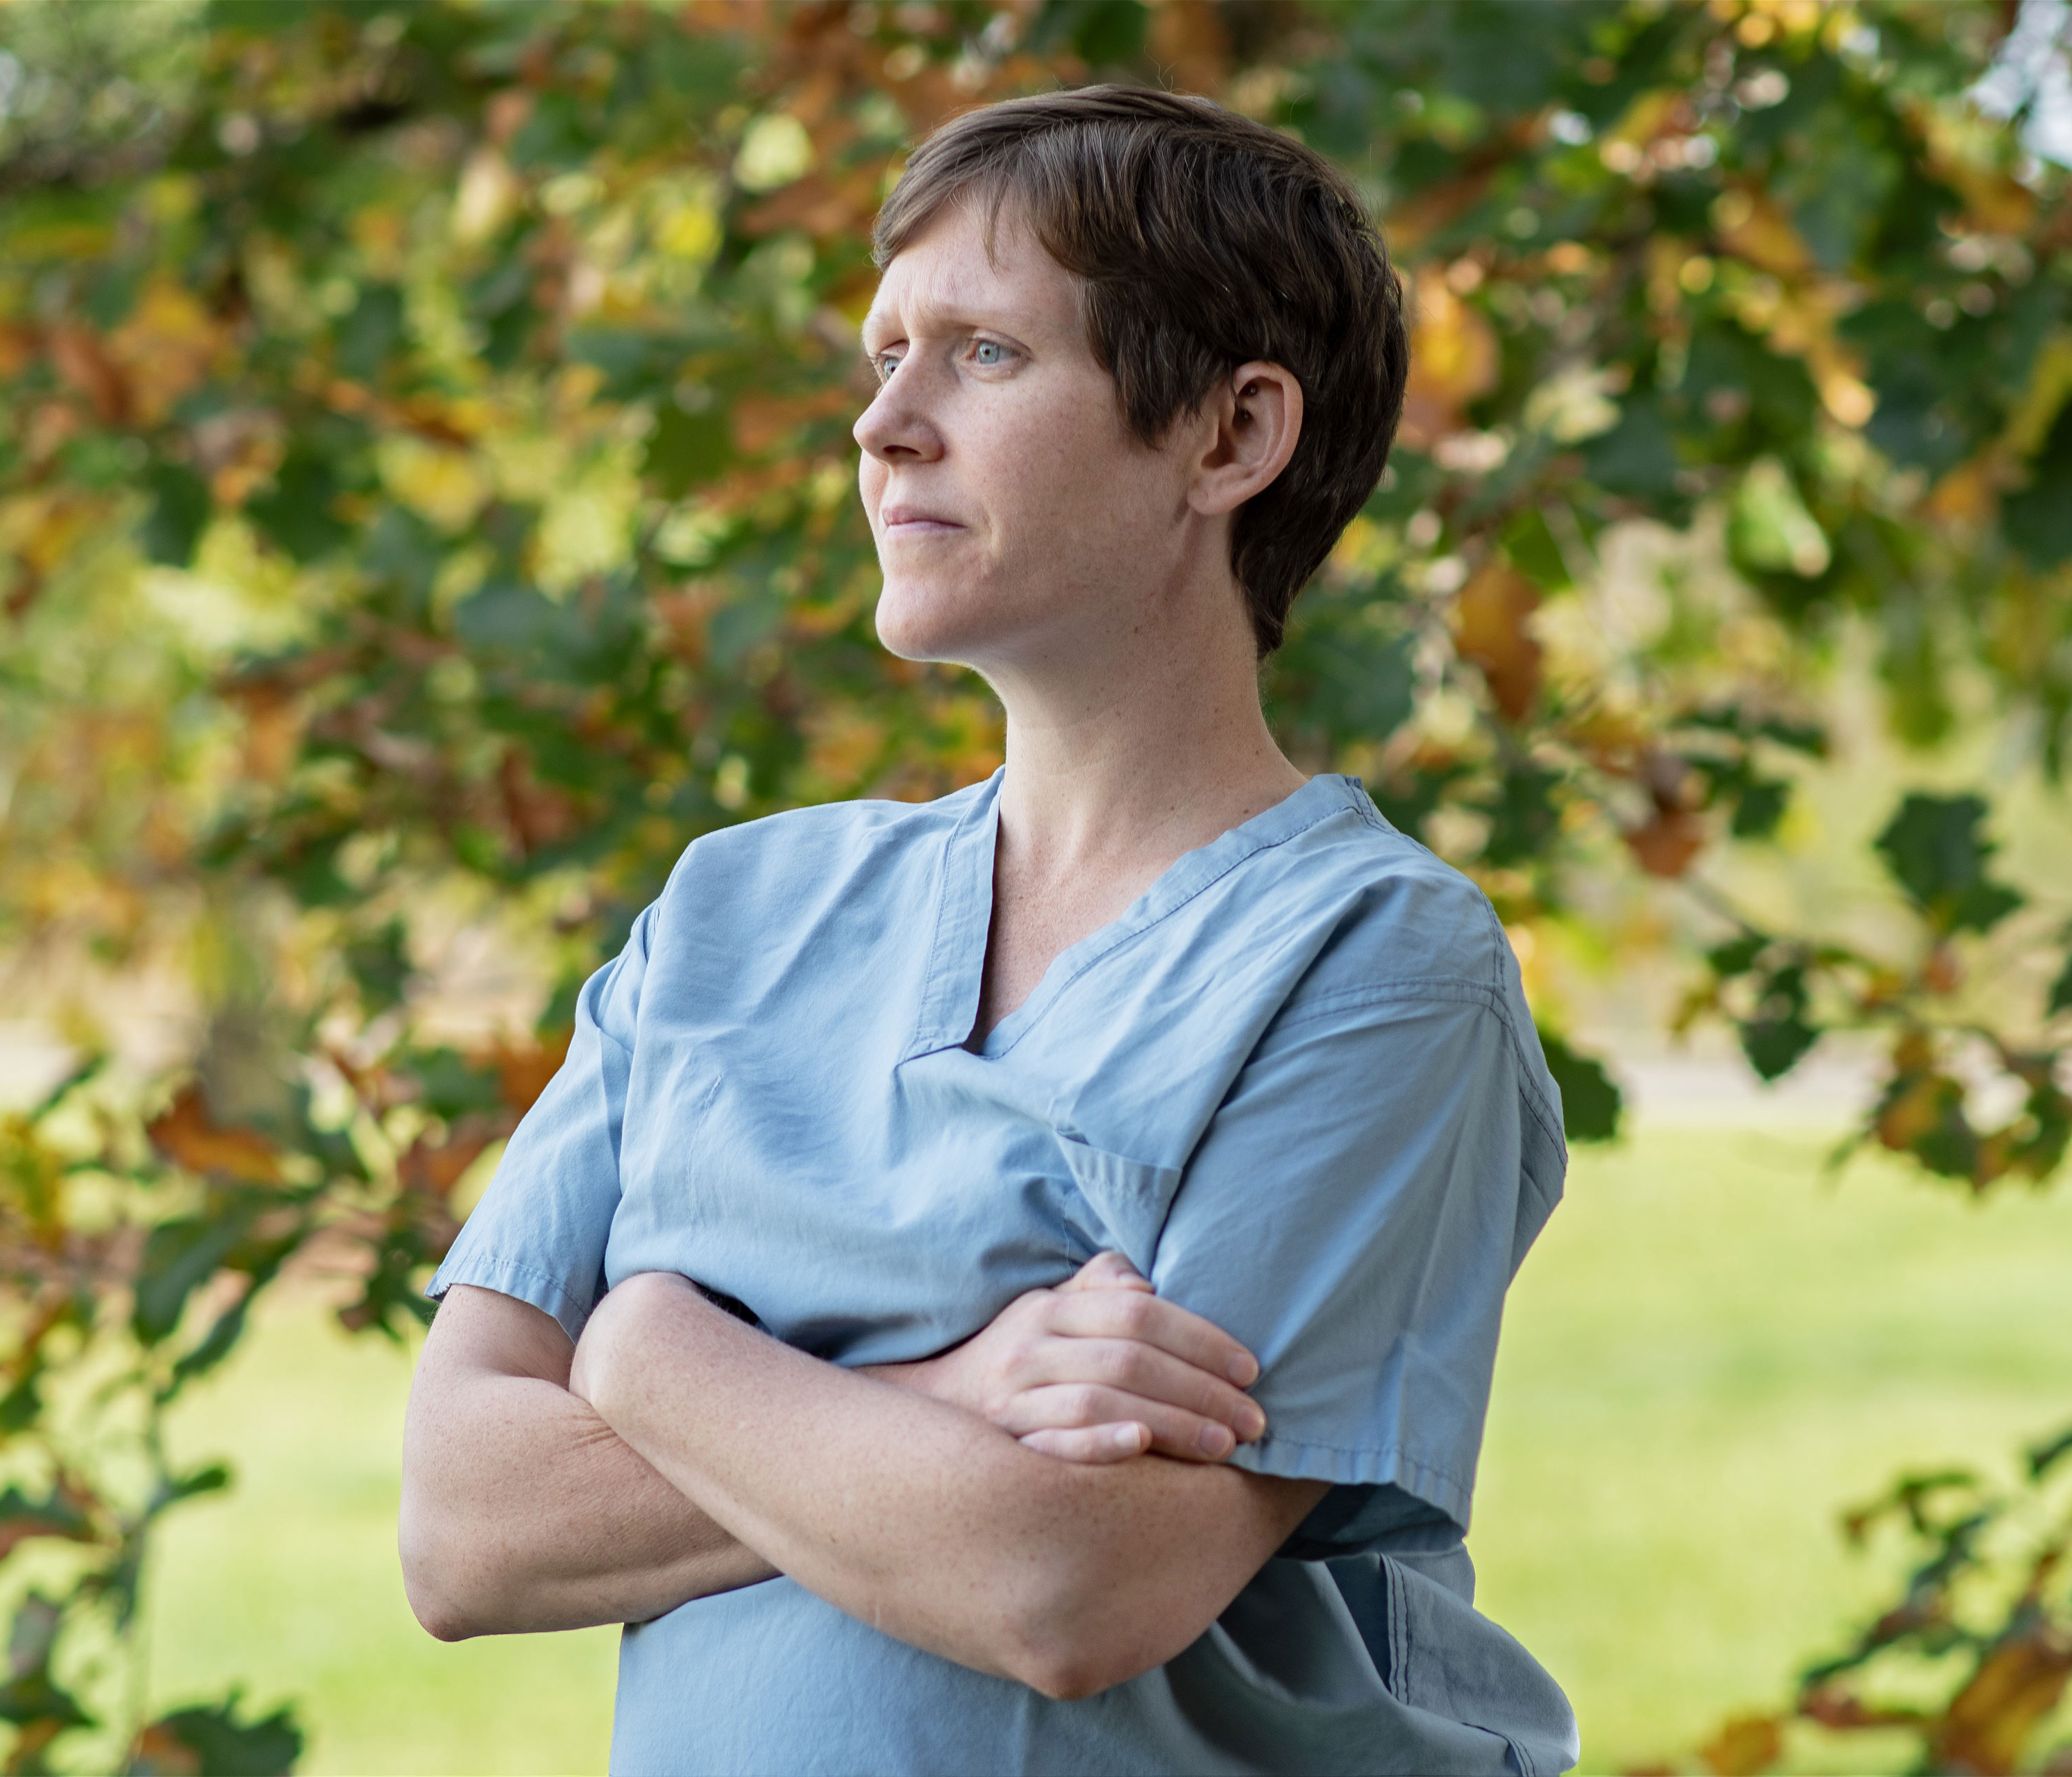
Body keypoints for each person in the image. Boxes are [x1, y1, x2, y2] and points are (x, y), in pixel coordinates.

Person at [399, 85, 1578, 1776]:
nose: (886, 424)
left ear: (1229, 439)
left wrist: (648, 1342)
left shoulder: (1376, 964)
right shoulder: (732, 913)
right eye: (881, 355)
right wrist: (955, 1397)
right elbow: (461, 1522)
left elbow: (1066, 1580)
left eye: (986, 354)